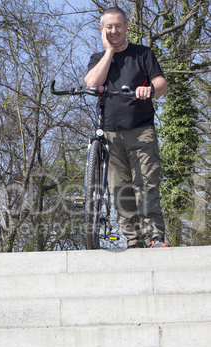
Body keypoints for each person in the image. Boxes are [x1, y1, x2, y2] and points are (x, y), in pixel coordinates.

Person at [84, 6, 169, 248]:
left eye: (118, 26)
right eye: (108, 27)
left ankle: (154, 237)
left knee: (146, 185)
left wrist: (150, 90)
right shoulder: (97, 59)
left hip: (141, 130)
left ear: (126, 27)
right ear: (102, 29)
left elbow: (162, 84)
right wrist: (109, 52)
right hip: (110, 133)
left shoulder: (142, 54)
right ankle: (134, 241)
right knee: (121, 190)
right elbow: (92, 83)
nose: (114, 31)